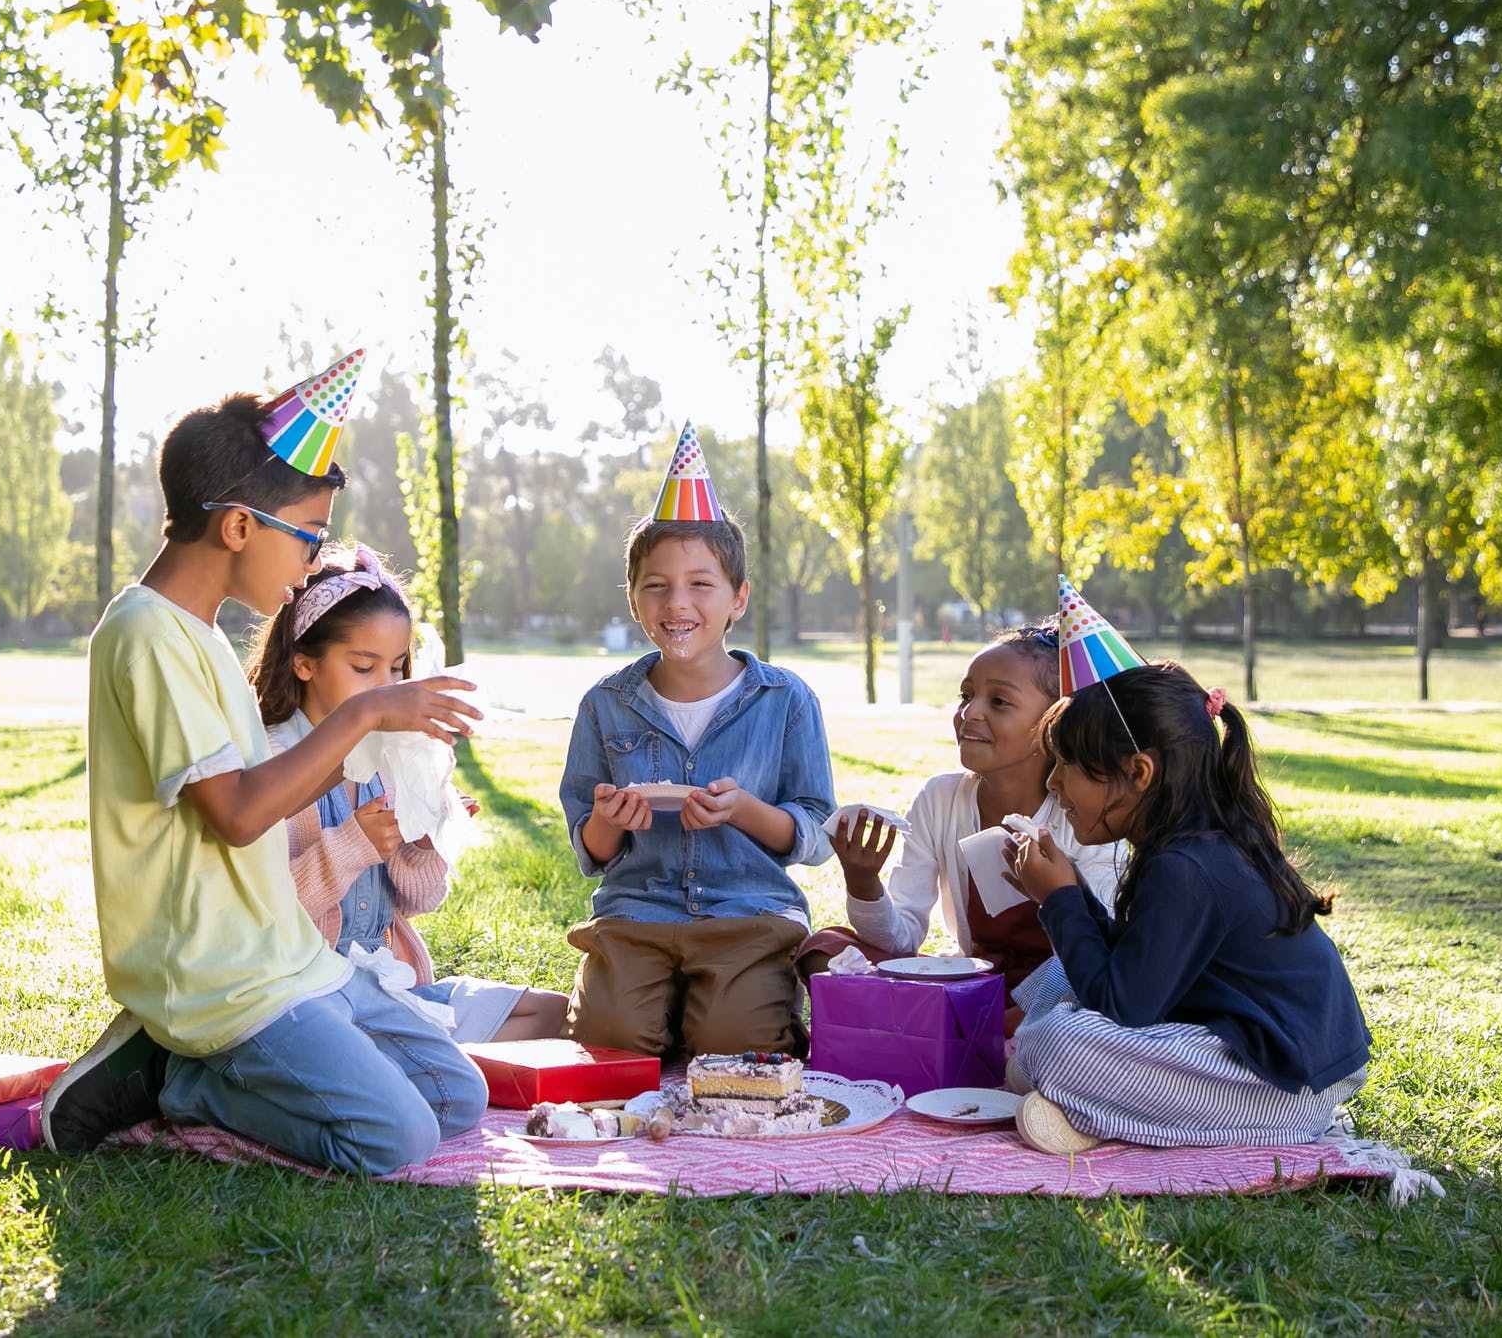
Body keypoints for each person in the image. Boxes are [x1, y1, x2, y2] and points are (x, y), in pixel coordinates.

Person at [42, 352, 491, 1175]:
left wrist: (390, 752)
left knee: (456, 1098)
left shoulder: (203, 634)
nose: (310, 562)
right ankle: (182, 1084)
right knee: (400, 1139)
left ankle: (203, 1072)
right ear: (241, 526)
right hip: (218, 976)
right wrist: (363, 712)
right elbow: (239, 812)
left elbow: (274, 791)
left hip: (286, 953)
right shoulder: (145, 634)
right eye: (307, 537)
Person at [1001, 577, 1371, 1154]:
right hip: (1258, 1054)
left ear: (1138, 772)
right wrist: (1068, 888)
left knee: (1058, 1041)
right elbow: (1135, 972)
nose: (1052, 784)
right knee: (1055, 993)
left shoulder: (1189, 865)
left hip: (1285, 1084)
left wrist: (1059, 899)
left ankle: (1100, 1113)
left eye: (1067, 765)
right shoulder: (1188, 844)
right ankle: (1096, 1107)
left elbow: (1125, 1006)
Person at [558, 422, 835, 1058]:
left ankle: (708, 1005)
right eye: (656, 585)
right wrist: (610, 821)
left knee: (738, 1048)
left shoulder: (786, 699)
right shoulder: (606, 705)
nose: (677, 602)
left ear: (738, 598)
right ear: (633, 599)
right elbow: (590, 847)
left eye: (701, 584)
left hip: (750, 915)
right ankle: (661, 1002)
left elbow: (813, 832)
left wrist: (743, 811)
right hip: (637, 916)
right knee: (611, 1045)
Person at [246, 544, 570, 1041]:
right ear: (304, 663)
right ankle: (407, 1059)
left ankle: (411, 1051)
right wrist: (354, 845)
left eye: (396, 668)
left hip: (392, 985)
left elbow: (419, 901)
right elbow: (266, 919)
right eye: (363, 667)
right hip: (312, 996)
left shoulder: (393, 757)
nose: (387, 688)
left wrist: (423, 846)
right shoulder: (274, 760)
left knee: (557, 1015)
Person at [796, 623, 1125, 1031]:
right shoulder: (940, 800)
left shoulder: (1083, 816)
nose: (970, 713)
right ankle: (959, 1027)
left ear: (1055, 721)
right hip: (971, 984)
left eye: (999, 701)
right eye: (966, 696)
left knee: (1077, 1014)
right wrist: (863, 884)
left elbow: (1095, 957)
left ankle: (943, 1028)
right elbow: (902, 940)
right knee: (824, 948)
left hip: (1055, 994)